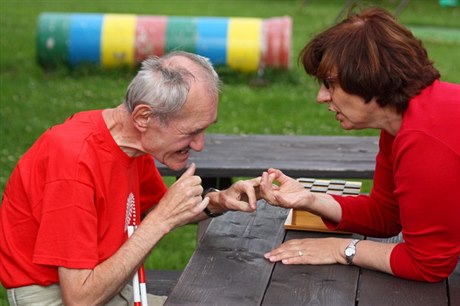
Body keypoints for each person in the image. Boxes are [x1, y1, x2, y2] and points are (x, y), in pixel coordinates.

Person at [0, 51, 261, 305]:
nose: (200, 145)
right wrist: (162, 221)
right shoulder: (74, 162)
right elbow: (79, 299)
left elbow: (158, 210)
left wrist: (220, 201)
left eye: (205, 129)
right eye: (191, 132)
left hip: (110, 288)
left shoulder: (131, 144)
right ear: (143, 117)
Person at [260, 7, 460, 282]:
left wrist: (342, 249)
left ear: (369, 78)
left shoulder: (423, 137)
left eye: (329, 83)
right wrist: (311, 199)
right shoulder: (403, 120)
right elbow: (387, 214)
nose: (321, 97)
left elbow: (427, 264)